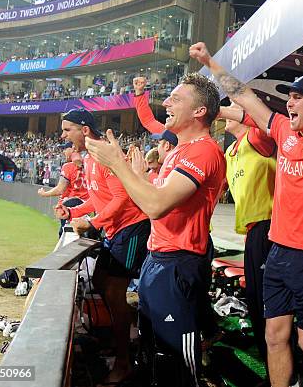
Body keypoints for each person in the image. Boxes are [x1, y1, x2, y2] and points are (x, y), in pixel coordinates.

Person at [190, 16, 303, 387]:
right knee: (273, 337)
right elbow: (245, 96)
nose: (290, 102)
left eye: (298, 97)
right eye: (289, 96)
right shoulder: (284, 133)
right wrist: (210, 64)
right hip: (278, 251)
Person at [85, 73, 225, 386]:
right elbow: (157, 195)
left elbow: (156, 205)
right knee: (152, 352)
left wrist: (117, 166)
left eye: (175, 98)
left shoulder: (203, 150)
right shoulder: (178, 151)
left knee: (175, 361)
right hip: (158, 258)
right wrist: (136, 175)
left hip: (178, 262)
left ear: (199, 111)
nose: (166, 102)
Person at [54, 108, 150, 386]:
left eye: (67, 129)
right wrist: (73, 214)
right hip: (115, 229)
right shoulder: (90, 157)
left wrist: (93, 223)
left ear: (84, 129)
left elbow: (122, 199)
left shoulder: (106, 154)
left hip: (132, 228)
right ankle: (128, 334)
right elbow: (100, 198)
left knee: (112, 290)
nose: (63, 136)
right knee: (100, 281)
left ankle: (124, 362)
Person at [219, 102, 276, 372]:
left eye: (231, 107)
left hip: (269, 227)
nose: (225, 111)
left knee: (264, 301)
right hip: (253, 231)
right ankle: (273, 360)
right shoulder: (230, 151)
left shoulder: (256, 138)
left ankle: (280, 362)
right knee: (254, 300)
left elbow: (259, 117)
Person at [38, 145, 89, 236]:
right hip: (87, 206)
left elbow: (60, 189)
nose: (64, 152)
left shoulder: (68, 166)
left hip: (70, 207)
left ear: (73, 149)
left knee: (66, 235)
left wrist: (44, 194)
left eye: (65, 149)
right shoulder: (88, 164)